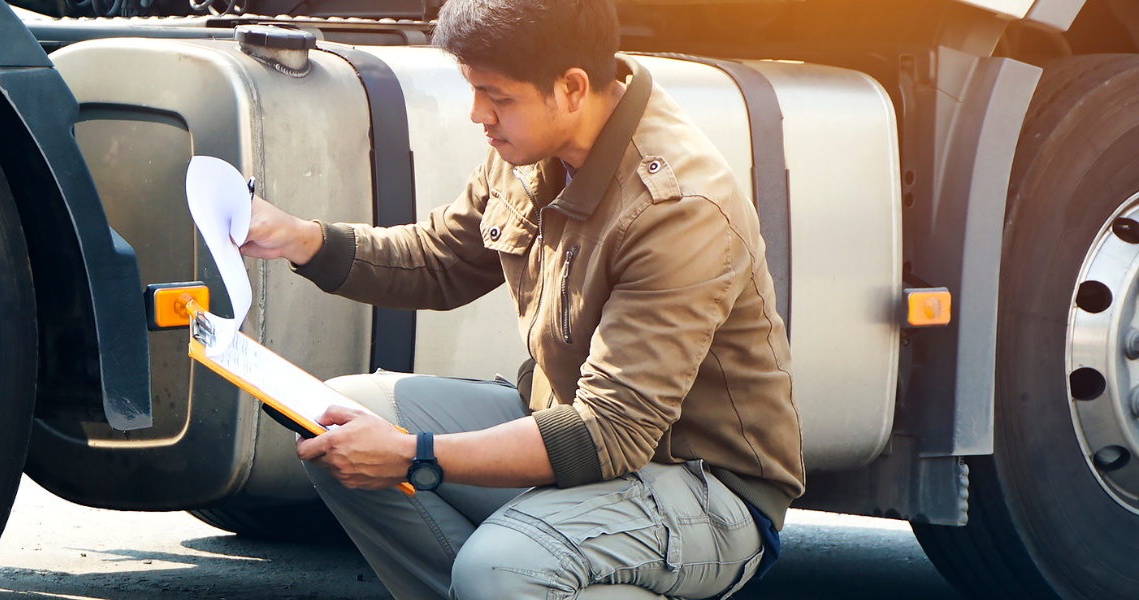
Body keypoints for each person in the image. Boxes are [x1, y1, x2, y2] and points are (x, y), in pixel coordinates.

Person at [235, 0, 804, 598]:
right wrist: (302, 240)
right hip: (570, 428)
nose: (479, 114)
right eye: (474, 90)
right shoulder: (536, 149)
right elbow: (440, 261)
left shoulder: (676, 208)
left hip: (704, 487)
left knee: (502, 567)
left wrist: (412, 455)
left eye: (497, 96)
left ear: (572, 88)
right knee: (336, 418)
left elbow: (611, 430)